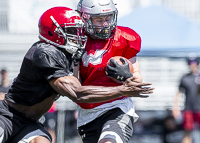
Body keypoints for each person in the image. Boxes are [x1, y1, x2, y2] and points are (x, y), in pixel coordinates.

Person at [0, 6, 154, 143]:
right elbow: (77, 93)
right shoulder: (45, 52)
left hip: (30, 122)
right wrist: (122, 90)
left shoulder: (69, 52)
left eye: (78, 30)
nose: (78, 36)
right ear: (52, 33)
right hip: (8, 115)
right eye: (72, 31)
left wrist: (125, 77)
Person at [76, 0, 153, 142]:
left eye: (108, 18)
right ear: (84, 18)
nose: (105, 24)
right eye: (99, 19)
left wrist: (126, 76)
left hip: (117, 106)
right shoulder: (77, 40)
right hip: (88, 113)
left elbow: (137, 78)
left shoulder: (123, 38)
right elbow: (76, 87)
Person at [172, 56, 200, 143]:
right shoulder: (185, 78)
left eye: (194, 63)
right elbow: (178, 93)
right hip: (188, 108)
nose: (192, 65)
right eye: (190, 63)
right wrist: (175, 107)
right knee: (187, 132)